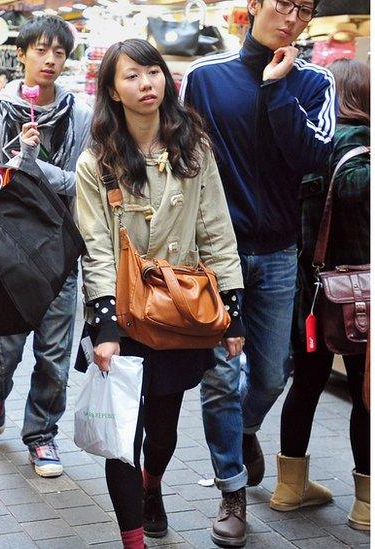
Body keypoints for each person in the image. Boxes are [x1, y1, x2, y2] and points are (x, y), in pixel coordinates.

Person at [76, 39, 246, 549]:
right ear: (112, 89)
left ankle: (153, 489)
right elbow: (97, 248)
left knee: (164, 427)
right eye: (131, 75)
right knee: (122, 438)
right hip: (122, 316)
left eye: (152, 72)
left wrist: (232, 312)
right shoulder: (97, 162)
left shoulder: (194, 149)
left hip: (178, 310)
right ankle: (134, 541)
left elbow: (216, 229)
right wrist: (104, 326)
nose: (145, 83)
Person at [180, 0, 336, 544]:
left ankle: (244, 430)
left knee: (271, 373)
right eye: (283, 4)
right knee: (221, 377)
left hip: (276, 252)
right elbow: (183, 158)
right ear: (254, 7)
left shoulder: (314, 82)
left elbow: (313, 159)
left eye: (305, 10)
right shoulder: (204, 77)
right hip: (211, 256)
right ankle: (232, 490)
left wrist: (276, 88)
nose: (291, 17)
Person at [0, 15, 91, 478]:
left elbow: (81, 182)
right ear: (20, 54)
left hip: (59, 246)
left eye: (59, 53)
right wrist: (19, 163)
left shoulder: (78, 115)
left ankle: (42, 435)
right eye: (41, 50)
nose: (50, 60)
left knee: (54, 353)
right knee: (6, 347)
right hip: (7, 251)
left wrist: (32, 166)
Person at [273, 58, 370, 531]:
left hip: (310, 296)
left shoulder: (310, 151)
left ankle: (289, 487)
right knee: (365, 393)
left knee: (306, 386)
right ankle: (366, 504)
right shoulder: (365, 158)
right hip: (361, 302)